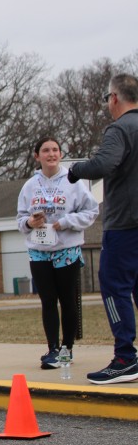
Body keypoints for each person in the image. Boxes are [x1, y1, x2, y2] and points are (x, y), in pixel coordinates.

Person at [67, 74, 138, 385]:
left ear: (114, 98)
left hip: (125, 225)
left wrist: (75, 170)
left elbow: (103, 164)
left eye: (107, 99)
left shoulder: (120, 128)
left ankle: (125, 358)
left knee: (113, 287)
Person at [17, 137, 98, 370]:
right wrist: (30, 222)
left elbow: (91, 211)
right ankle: (52, 348)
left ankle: (66, 349)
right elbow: (20, 219)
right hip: (39, 251)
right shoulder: (30, 185)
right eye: (45, 150)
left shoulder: (74, 182)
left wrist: (65, 222)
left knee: (67, 300)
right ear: (37, 156)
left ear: (61, 155)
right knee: (48, 301)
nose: (51, 154)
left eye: (55, 150)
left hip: (66, 249)